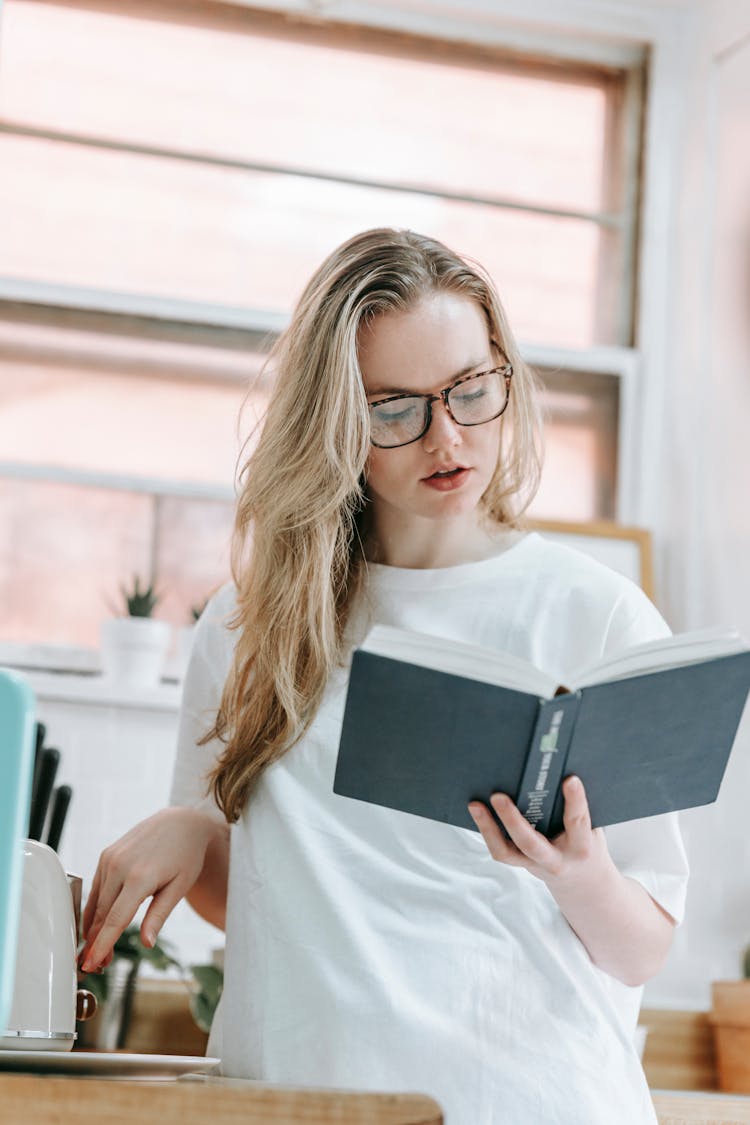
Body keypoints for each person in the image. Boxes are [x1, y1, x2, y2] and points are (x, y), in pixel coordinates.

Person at [80, 228, 689, 1124]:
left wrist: (577, 870)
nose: (448, 437)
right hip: (300, 1099)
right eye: (395, 408)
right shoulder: (248, 624)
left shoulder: (596, 614)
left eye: (471, 391)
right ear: (334, 421)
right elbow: (256, 903)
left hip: (531, 1099)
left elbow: (641, 949)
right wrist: (191, 830)